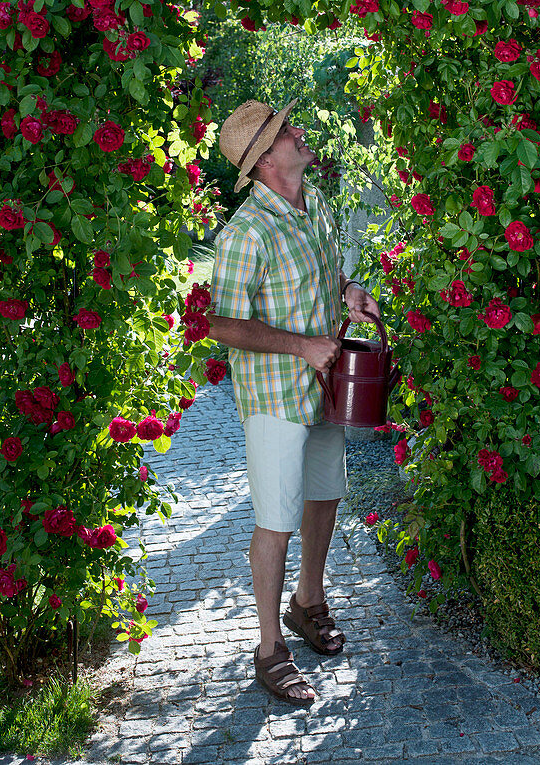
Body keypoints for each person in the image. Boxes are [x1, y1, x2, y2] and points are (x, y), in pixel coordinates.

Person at [209, 98, 380, 706]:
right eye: (286, 131)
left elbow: (329, 280)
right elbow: (220, 324)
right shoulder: (245, 233)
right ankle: (267, 650)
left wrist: (352, 293)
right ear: (263, 159)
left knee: (325, 494)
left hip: (326, 386)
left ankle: (307, 603)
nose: (299, 133)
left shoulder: (316, 211)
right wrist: (301, 346)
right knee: (275, 521)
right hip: (276, 395)